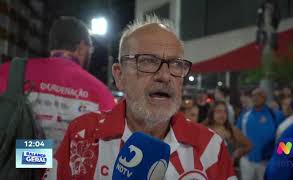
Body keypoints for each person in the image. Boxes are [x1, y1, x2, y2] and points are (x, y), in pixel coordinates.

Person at [44, 15, 237, 179]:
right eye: (147, 61)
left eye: (176, 64)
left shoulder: (211, 148)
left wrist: (26, 166)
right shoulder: (87, 116)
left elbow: (25, 142)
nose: (164, 76)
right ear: (119, 75)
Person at [0, 17, 115, 151]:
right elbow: (109, 148)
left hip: (11, 169)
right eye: (90, 49)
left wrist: (34, 156)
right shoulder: (100, 92)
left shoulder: (9, 72)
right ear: (81, 48)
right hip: (71, 170)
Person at [236, 87, 285, 180]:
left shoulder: (276, 115)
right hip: (247, 160)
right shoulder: (245, 115)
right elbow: (236, 133)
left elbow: (284, 136)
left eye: (259, 95)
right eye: (253, 95)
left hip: (267, 161)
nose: (255, 98)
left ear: (265, 98)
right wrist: (239, 151)